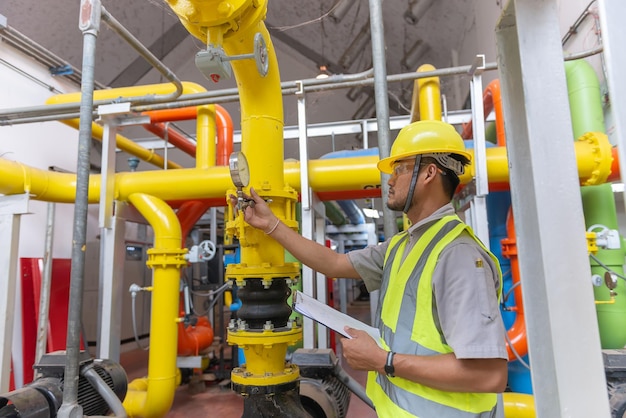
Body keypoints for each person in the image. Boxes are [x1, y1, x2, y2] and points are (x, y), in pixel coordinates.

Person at [230, 120, 508, 417]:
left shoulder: (458, 256)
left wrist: (383, 360)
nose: (389, 179)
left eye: (399, 169)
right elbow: (335, 264)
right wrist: (272, 225)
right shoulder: (403, 245)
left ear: (429, 173)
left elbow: (488, 375)